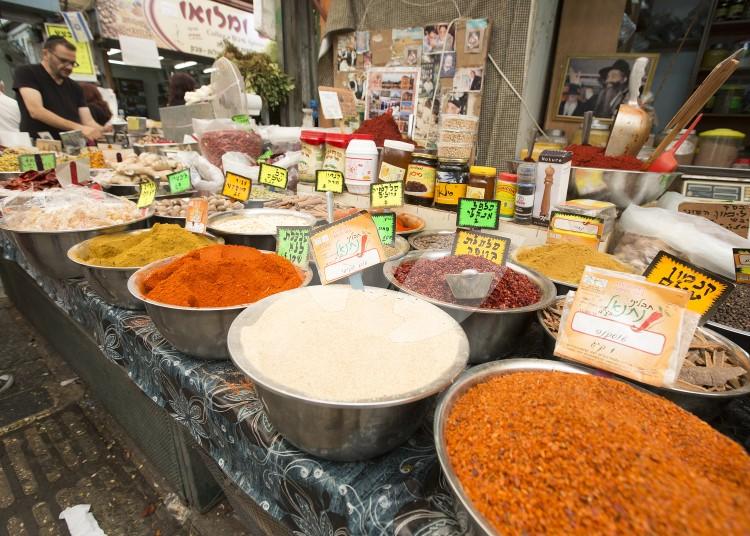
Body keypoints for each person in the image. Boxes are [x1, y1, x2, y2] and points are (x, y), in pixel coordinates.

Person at [13, 36, 103, 140]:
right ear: (46, 54)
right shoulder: (28, 73)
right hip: (39, 147)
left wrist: (104, 130)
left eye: (72, 63)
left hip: (72, 148)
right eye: (63, 60)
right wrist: (79, 128)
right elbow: (36, 111)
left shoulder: (75, 87)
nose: (69, 67)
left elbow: (88, 121)